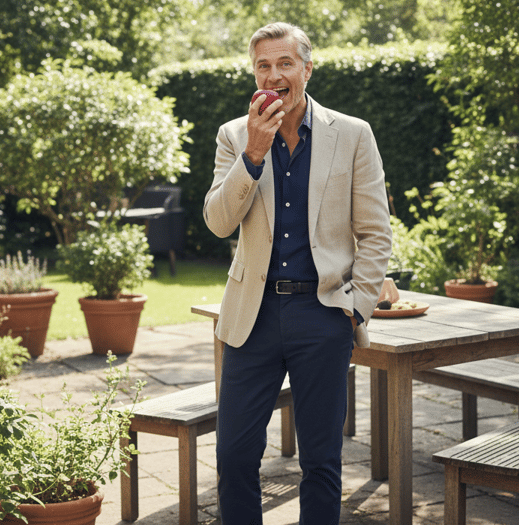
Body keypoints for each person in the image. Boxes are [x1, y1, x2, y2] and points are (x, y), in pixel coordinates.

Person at [204, 22, 392, 524]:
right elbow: (219, 222)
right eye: (263, 65)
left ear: (307, 69)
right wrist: (254, 154)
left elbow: (375, 233)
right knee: (235, 456)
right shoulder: (234, 136)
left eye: (285, 63)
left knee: (322, 462)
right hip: (253, 316)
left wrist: (355, 309)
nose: (274, 74)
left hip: (323, 313)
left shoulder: (352, 135)